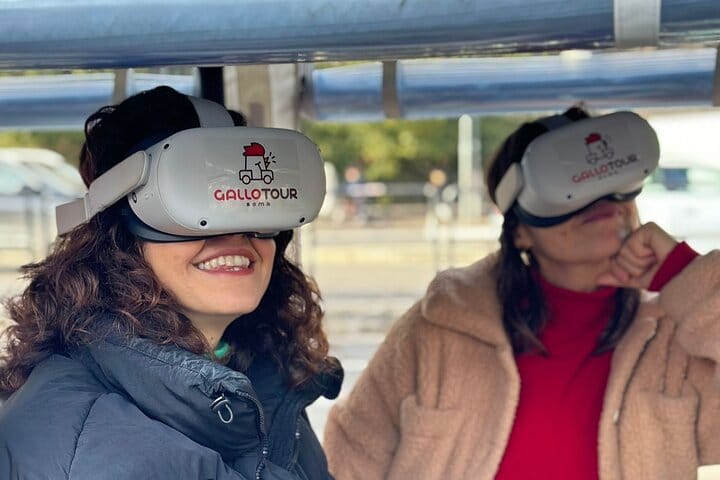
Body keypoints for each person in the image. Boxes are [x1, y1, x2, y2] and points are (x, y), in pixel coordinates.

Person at [323, 106, 720, 480]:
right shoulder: (440, 327)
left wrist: (686, 275)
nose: (599, 198)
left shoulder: (674, 335)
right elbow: (352, 456)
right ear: (520, 232)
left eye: (613, 180)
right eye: (567, 184)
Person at [0, 86, 342, 480]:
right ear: (116, 231)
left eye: (252, 202)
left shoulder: (265, 385)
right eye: (192, 203)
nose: (234, 233)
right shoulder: (85, 448)